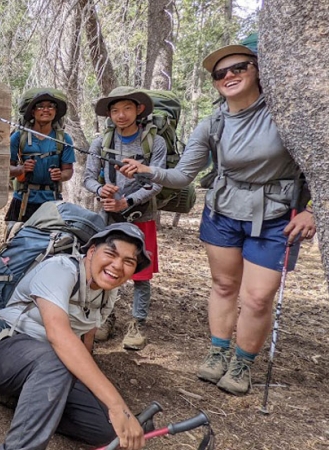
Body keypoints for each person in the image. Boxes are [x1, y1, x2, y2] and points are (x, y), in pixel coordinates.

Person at [119, 44, 316, 395]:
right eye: (220, 73)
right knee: (224, 286)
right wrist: (147, 170)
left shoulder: (286, 116)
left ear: (257, 69)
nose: (229, 76)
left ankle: (242, 362)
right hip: (224, 210)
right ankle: (218, 351)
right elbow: (182, 176)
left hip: (276, 215)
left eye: (239, 67)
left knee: (257, 297)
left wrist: (313, 210)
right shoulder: (213, 123)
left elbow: (319, 164)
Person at [0, 223, 150, 450]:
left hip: (51, 370)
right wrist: (117, 405)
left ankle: (17, 398)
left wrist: (98, 399)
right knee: (59, 361)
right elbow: (59, 335)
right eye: (111, 253)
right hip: (6, 349)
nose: (117, 266)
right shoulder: (59, 269)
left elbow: (86, 340)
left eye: (129, 262)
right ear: (91, 252)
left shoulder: (108, 292)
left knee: (109, 432)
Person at [83, 87, 166, 351]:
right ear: (109, 114)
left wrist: (127, 201)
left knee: (141, 271)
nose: (121, 115)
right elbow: (87, 177)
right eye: (115, 110)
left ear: (139, 109)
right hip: (108, 215)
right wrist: (100, 189)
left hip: (142, 214)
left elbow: (157, 182)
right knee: (102, 266)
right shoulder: (101, 143)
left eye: (127, 109)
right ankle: (103, 318)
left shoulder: (154, 142)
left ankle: (138, 324)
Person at [6, 89, 76, 225]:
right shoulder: (19, 137)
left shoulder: (63, 139)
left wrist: (60, 175)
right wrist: (21, 169)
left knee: (50, 242)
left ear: (55, 112)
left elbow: (68, 170)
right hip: (23, 200)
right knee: (16, 239)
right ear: (33, 112)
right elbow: (5, 169)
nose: (46, 110)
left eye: (50, 106)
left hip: (52, 200)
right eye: (40, 106)